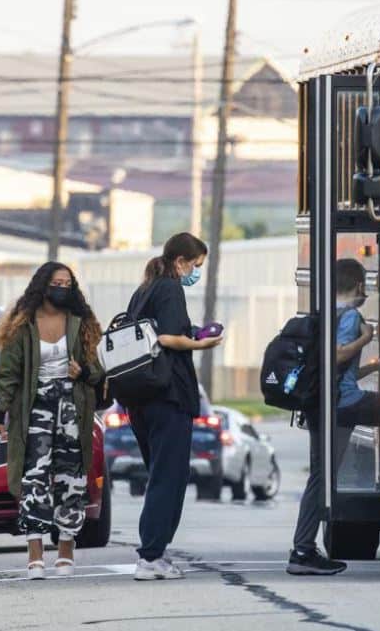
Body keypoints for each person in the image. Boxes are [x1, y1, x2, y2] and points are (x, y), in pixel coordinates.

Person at [0, 262, 104, 580]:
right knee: (33, 480)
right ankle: (35, 556)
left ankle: (66, 551)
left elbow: (98, 370)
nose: (62, 288)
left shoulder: (82, 323)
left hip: (72, 409)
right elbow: (8, 374)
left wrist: (84, 371)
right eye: (56, 282)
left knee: (72, 480)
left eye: (68, 283)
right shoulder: (22, 324)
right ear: (43, 285)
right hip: (34, 410)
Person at [122, 232, 222, 581]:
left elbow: (159, 332)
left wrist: (192, 332)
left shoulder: (144, 290)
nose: (196, 272)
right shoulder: (169, 287)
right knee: (169, 478)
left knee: (158, 477)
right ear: (181, 261)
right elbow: (166, 338)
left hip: (140, 399)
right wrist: (202, 344)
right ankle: (150, 556)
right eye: (196, 265)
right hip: (167, 397)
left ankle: (156, 552)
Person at [287, 258, 380, 575]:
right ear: (358, 285)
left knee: (319, 475)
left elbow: (340, 370)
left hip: (324, 401)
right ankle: (302, 551)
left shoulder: (326, 312)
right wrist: (365, 340)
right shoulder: (351, 315)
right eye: (365, 285)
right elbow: (337, 355)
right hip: (341, 405)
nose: (367, 291)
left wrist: (374, 366)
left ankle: (303, 550)